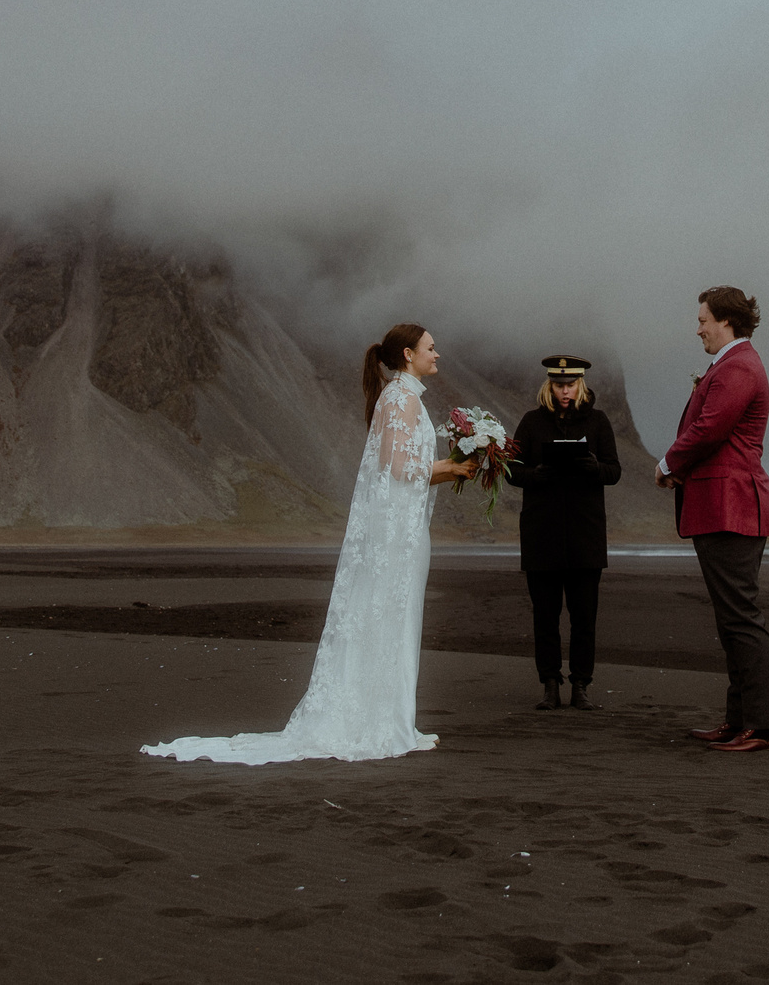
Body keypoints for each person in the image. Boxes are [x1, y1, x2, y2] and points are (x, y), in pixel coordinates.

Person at [141, 323, 476, 763]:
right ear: (409, 355)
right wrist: (449, 468)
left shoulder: (402, 397)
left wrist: (448, 467)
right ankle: (380, 723)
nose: (438, 354)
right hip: (396, 535)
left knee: (392, 618)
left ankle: (392, 718)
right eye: (432, 348)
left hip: (401, 529)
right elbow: (395, 465)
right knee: (389, 618)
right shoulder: (401, 399)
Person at [655, 286, 769, 752]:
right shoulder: (730, 365)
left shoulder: (740, 366)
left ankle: (763, 726)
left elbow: (710, 428)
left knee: (742, 619)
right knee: (732, 620)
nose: (698, 327)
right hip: (721, 506)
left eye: (703, 319)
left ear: (726, 321)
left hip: (734, 506)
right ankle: (739, 719)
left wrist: (668, 465)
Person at [504, 353, 623, 712]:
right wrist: (534, 475)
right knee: (546, 615)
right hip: (542, 533)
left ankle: (582, 686)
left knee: (585, 616)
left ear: (580, 384)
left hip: (585, 535)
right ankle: (550, 685)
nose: (564, 391)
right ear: (549, 385)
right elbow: (509, 469)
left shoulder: (599, 422)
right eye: (558, 385)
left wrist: (594, 467)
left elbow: (615, 471)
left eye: (570, 384)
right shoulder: (531, 422)